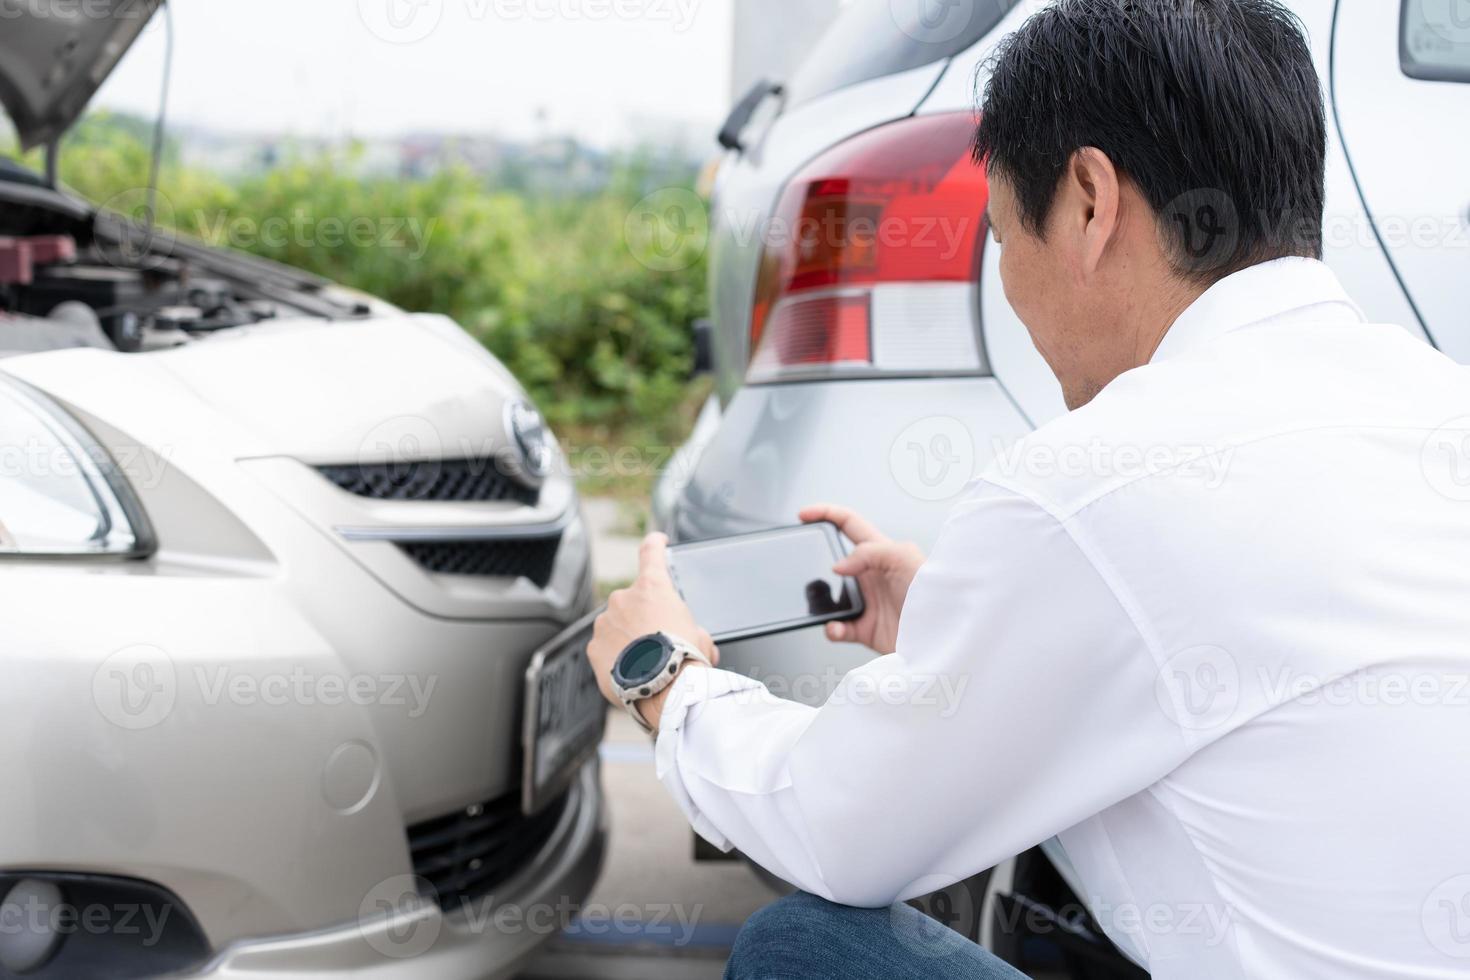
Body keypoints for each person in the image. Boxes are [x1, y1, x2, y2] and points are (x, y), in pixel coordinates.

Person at [586, 1, 1470, 977]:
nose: (1011, 277)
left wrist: (665, 678)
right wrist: (962, 622)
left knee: (805, 945)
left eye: (1005, 236)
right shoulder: (1438, 400)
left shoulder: (1099, 480)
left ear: (1089, 200)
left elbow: (839, 825)